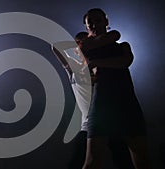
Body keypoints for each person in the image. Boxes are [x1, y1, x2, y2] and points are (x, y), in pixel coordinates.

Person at [52, 31, 135, 169]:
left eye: (88, 43)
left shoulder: (102, 66)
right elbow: (55, 47)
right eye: (81, 44)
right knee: (79, 162)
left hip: (111, 123)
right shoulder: (75, 68)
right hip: (89, 124)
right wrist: (79, 43)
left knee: (124, 161)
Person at [80, 8, 151, 169]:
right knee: (92, 161)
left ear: (106, 21)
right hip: (102, 105)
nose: (93, 24)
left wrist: (97, 63)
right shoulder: (86, 46)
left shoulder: (123, 46)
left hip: (126, 103)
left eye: (97, 20)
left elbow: (124, 62)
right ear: (86, 27)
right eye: (89, 21)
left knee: (143, 161)